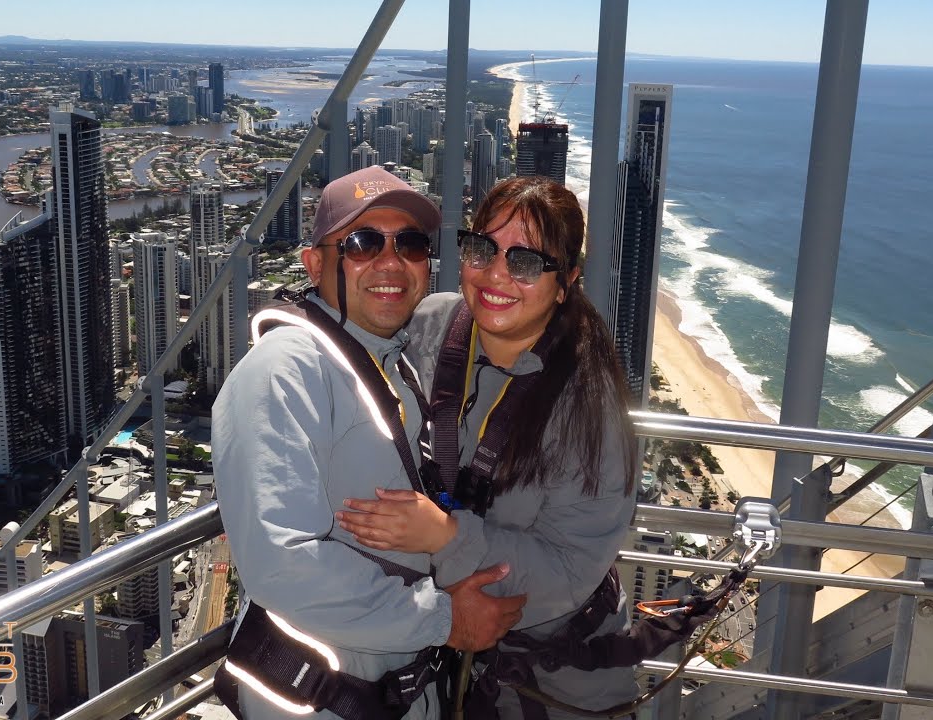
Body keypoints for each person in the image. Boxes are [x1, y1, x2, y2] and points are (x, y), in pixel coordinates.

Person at [337, 176, 722, 718]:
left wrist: (444, 535)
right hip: (440, 656)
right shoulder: (430, 326)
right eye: (482, 249)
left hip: (553, 682)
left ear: (565, 282)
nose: (496, 275)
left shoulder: (589, 408)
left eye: (525, 262)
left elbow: (567, 572)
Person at [212, 166, 527, 720]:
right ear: (315, 264)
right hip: (318, 697)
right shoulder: (283, 372)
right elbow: (281, 561)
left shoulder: (391, 363)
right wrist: (443, 620)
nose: (390, 262)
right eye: (361, 243)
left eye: (410, 244)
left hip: (397, 691)